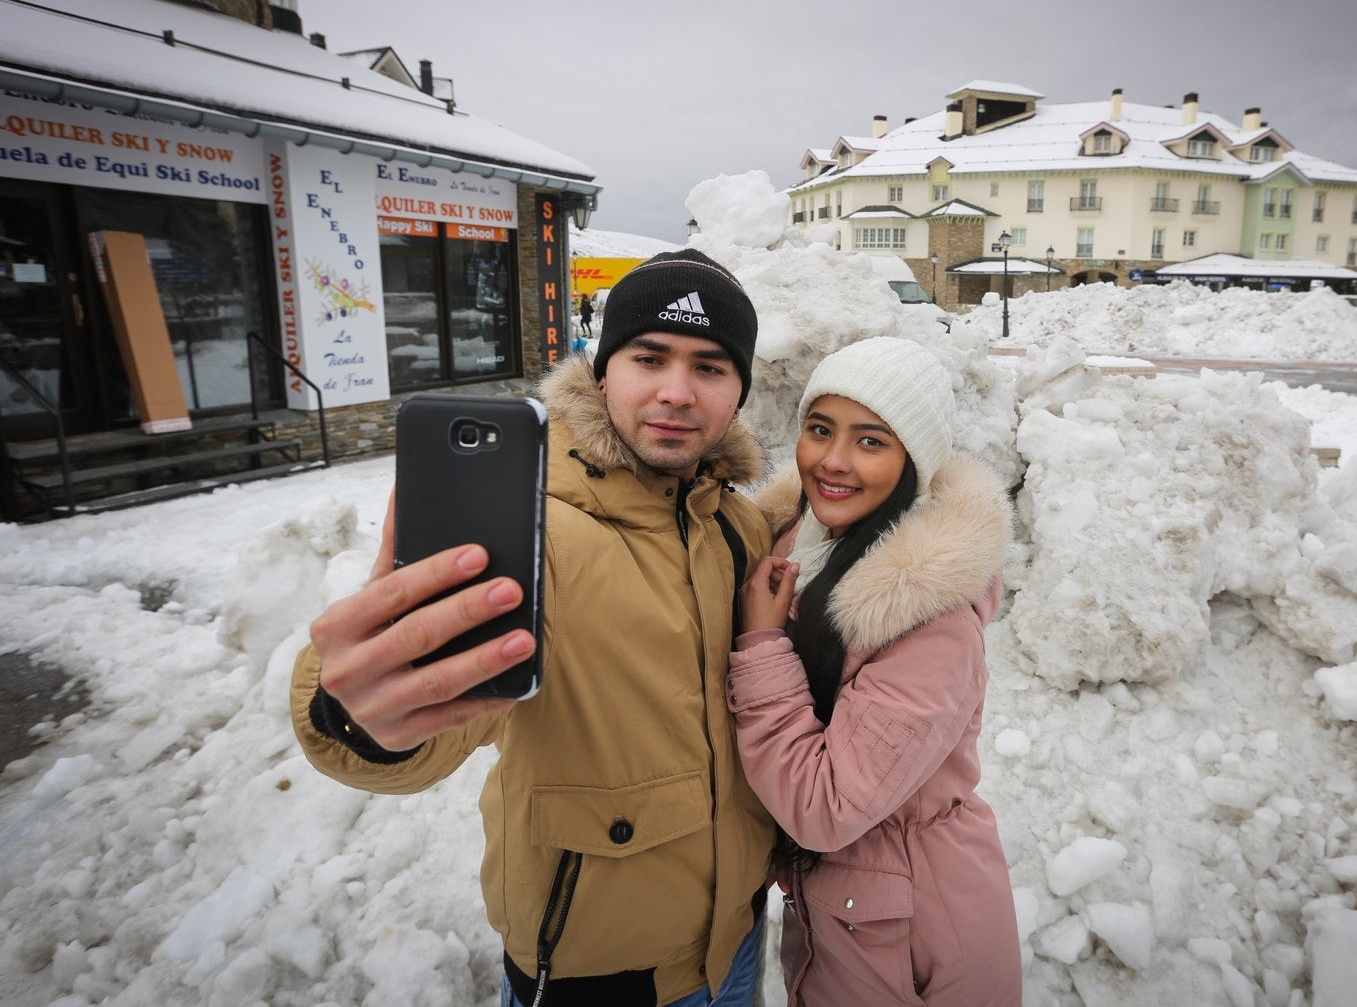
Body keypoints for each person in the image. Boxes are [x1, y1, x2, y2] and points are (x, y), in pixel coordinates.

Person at [291, 247, 777, 1007]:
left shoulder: (739, 525)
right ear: (603, 368)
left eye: (711, 367)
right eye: (649, 356)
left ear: (739, 389)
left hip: (736, 943)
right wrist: (353, 711)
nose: (677, 392)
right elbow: (432, 726)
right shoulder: (530, 536)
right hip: (598, 977)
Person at [729, 336, 1023, 1005]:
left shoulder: (931, 622)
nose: (832, 461)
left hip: (918, 940)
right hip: (852, 914)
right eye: (820, 429)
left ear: (913, 460)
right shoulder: (804, 547)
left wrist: (762, 644)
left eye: (870, 441)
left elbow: (824, 807)